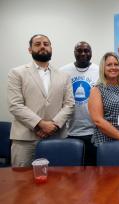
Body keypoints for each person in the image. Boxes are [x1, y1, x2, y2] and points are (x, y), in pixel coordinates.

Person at [7, 34, 74, 167]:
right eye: (37, 44)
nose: (42, 46)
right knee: (22, 183)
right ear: (30, 49)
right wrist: (41, 124)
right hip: (25, 140)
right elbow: (15, 105)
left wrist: (53, 125)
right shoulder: (16, 73)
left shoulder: (64, 76)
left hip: (56, 137)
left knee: (57, 181)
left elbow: (69, 104)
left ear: (51, 48)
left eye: (46, 44)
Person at [60, 41, 99, 165]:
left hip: (94, 132)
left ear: (91, 53)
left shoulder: (99, 71)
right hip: (69, 131)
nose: (83, 53)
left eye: (86, 51)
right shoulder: (63, 71)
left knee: (93, 171)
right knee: (72, 173)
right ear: (74, 52)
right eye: (79, 50)